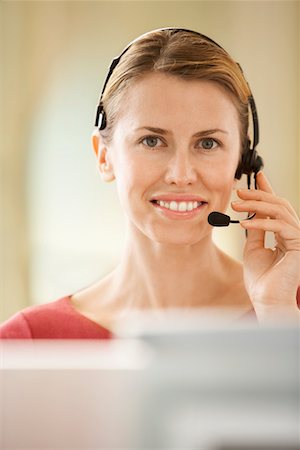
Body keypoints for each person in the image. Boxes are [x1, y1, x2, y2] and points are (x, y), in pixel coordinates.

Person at [1, 28, 299, 339]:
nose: (181, 174)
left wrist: (278, 317)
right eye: (152, 141)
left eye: (208, 143)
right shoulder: (27, 341)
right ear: (104, 157)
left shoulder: (288, 310)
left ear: (242, 160)